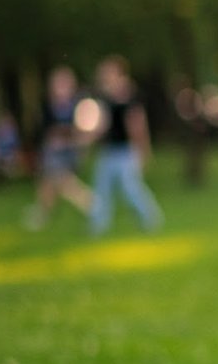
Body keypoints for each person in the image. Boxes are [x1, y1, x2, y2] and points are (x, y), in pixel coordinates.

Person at [88, 56, 163, 235]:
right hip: (108, 151)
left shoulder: (130, 97)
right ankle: (98, 225)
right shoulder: (105, 98)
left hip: (125, 151)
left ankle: (151, 218)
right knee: (101, 188)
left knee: (131, 188)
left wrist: (143, 150)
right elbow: (102, 126)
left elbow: (138, 126)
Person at [24, 65, 93, 231]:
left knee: (62, 182)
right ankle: (42, 214)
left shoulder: (78, 104)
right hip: (52, 151)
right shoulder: (48, 105)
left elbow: (83, 130)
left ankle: (90, 203)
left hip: (68, 151)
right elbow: (46, 130)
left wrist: (73, 140)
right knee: (47, 183)